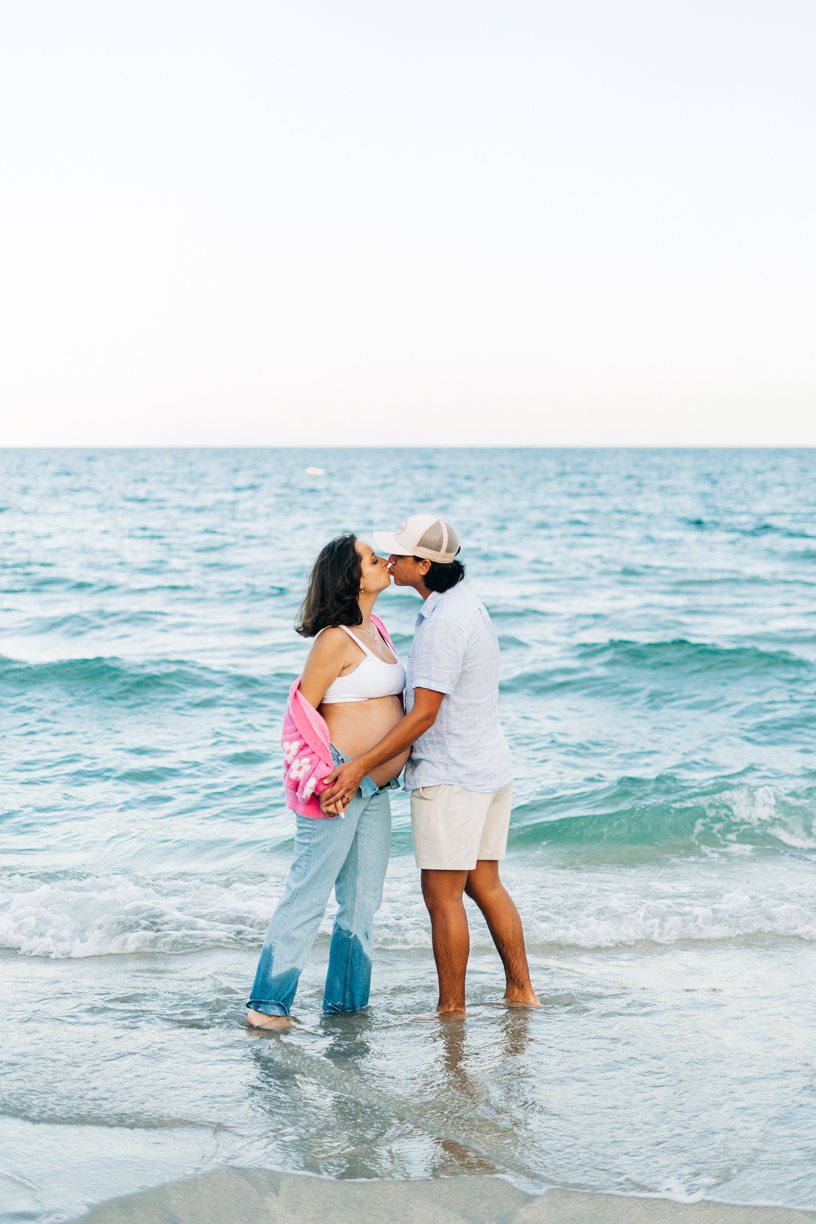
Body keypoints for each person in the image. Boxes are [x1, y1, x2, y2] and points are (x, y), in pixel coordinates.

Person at [322, 515, 539, 1015]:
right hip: (487, 767)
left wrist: (360, 767)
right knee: (485, 884)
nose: (389, 561)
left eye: (399, 555)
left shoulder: (443, 623)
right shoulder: (465, 604)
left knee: (443, 898)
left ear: (424, 564)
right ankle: (521, 992)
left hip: (451, 777)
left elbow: (424, 714)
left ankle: (452, 1010)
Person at [246, 533, 407, 1030]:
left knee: (363, 902)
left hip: (374, 787)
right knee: (308, 891)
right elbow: (299, 716)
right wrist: (318, 780)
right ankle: (267, 1006)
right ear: (350, 576)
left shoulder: (377, 628)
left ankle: (346, 1007)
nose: (382, 561)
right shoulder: (334, 639)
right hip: (336, 785)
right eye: (371, 558)